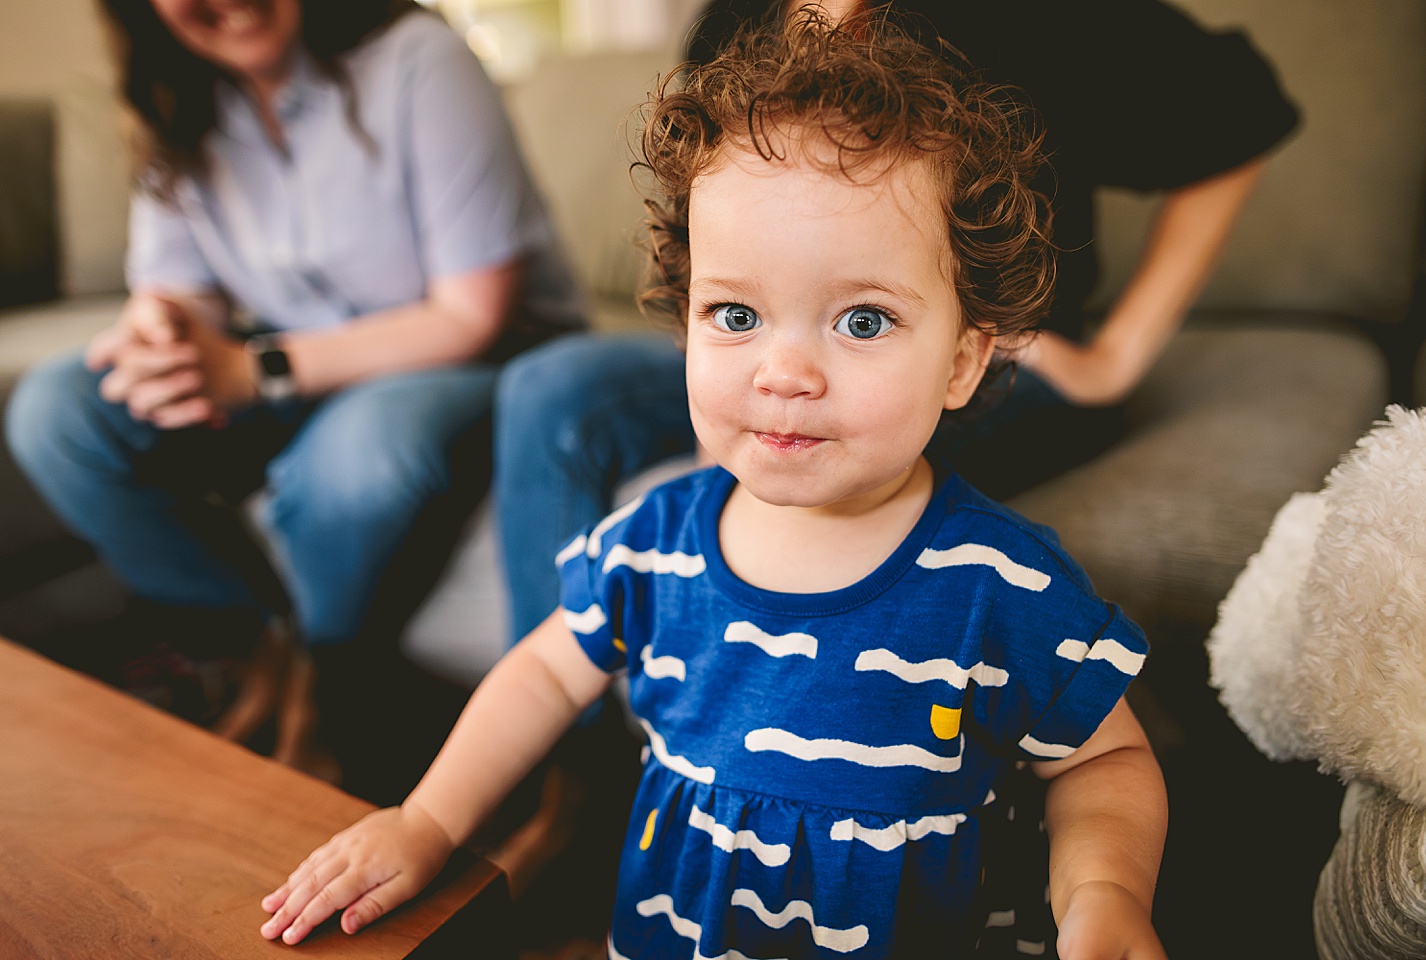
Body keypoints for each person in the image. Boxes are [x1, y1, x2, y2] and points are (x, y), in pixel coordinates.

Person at [259, 14, 1168, 958]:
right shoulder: (655, 541)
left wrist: (1105, 892)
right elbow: (539, 673)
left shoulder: (1001, 584)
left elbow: (1105, 760)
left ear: (964, 363)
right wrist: (429, 822)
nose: (785, 372)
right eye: (736, 313)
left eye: (862, 321)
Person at [491, 0, 1299, 650]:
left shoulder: (1042, 16)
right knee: (548, 384)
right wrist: (735, 364)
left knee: (832, 472)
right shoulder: (731, 22)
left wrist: (1118, 355)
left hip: (1004, 358)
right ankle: (574, 773)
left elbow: (1244, 106)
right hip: (783, 331)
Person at [4, 0, 584, 776]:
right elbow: (177, 283)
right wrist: (160, 335)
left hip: (473, 359)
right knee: (59, 411)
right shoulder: (176, 95)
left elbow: (469, 315)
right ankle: (249, 647)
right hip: (300, 364)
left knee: (354, 454)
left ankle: (327, 687)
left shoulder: (418, 58)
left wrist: (252, 370)